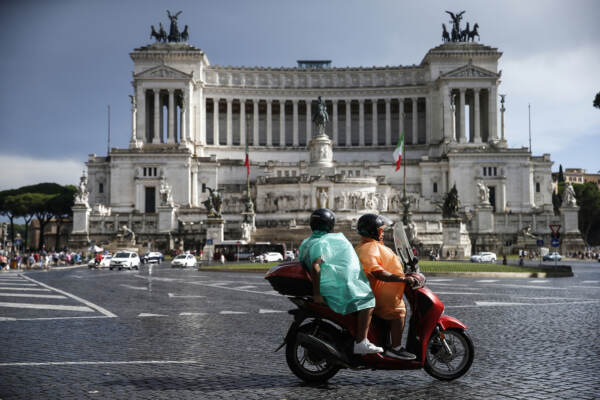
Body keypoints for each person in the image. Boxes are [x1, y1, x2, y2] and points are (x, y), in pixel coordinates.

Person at [299, 208, 382, 355]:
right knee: (368, 300)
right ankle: (361, 342)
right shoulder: (324, 242)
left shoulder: (307, 242)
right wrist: (317, 294)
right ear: (330, 225)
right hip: (328, 287)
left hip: (320, 283)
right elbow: (316, 266)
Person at [354, 213, 417, 361]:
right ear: (373, 231)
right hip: (375, 293)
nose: (382, 233)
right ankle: (395, 348)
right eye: (380, 230)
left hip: (375, 291)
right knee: (398, 311)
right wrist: (401, 278)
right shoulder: (369, 248)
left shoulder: (369, 246)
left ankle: (386, 343)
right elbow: (378, 272)